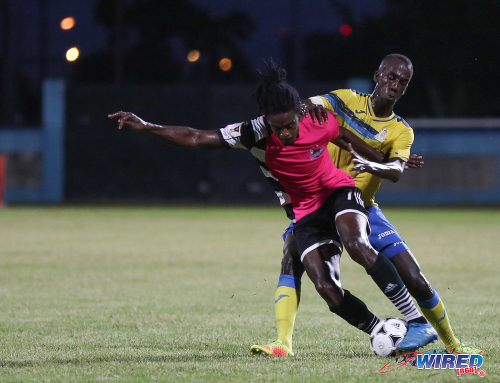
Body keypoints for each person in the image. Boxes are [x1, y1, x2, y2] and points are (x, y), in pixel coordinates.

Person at [109, 61, 417, 353]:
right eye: (277, 127)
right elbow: (194, 137)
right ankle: (380, 331)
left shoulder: (317, 118)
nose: (284, 133)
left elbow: (351, 141)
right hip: (305, 210)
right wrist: (148, 126)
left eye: (289, 126)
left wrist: (389, 162)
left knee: (356, 243)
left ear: (299, 112)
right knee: (325, 287)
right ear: (265, 119)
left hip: (337, 192)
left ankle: (413, 319)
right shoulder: (252, 132)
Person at [250, 54, 484, 357]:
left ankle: (453, 345)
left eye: (402, 82)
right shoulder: (346, 100)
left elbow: (397, 171)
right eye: (390, 77)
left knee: (413, 276)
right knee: (295, 259)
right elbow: (305, 106)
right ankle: (283, 343)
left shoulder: (401, 131)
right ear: (377, 76)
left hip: (362, 206)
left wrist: (374, 164)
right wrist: (307, 108)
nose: (395, 85)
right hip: (321, 203)